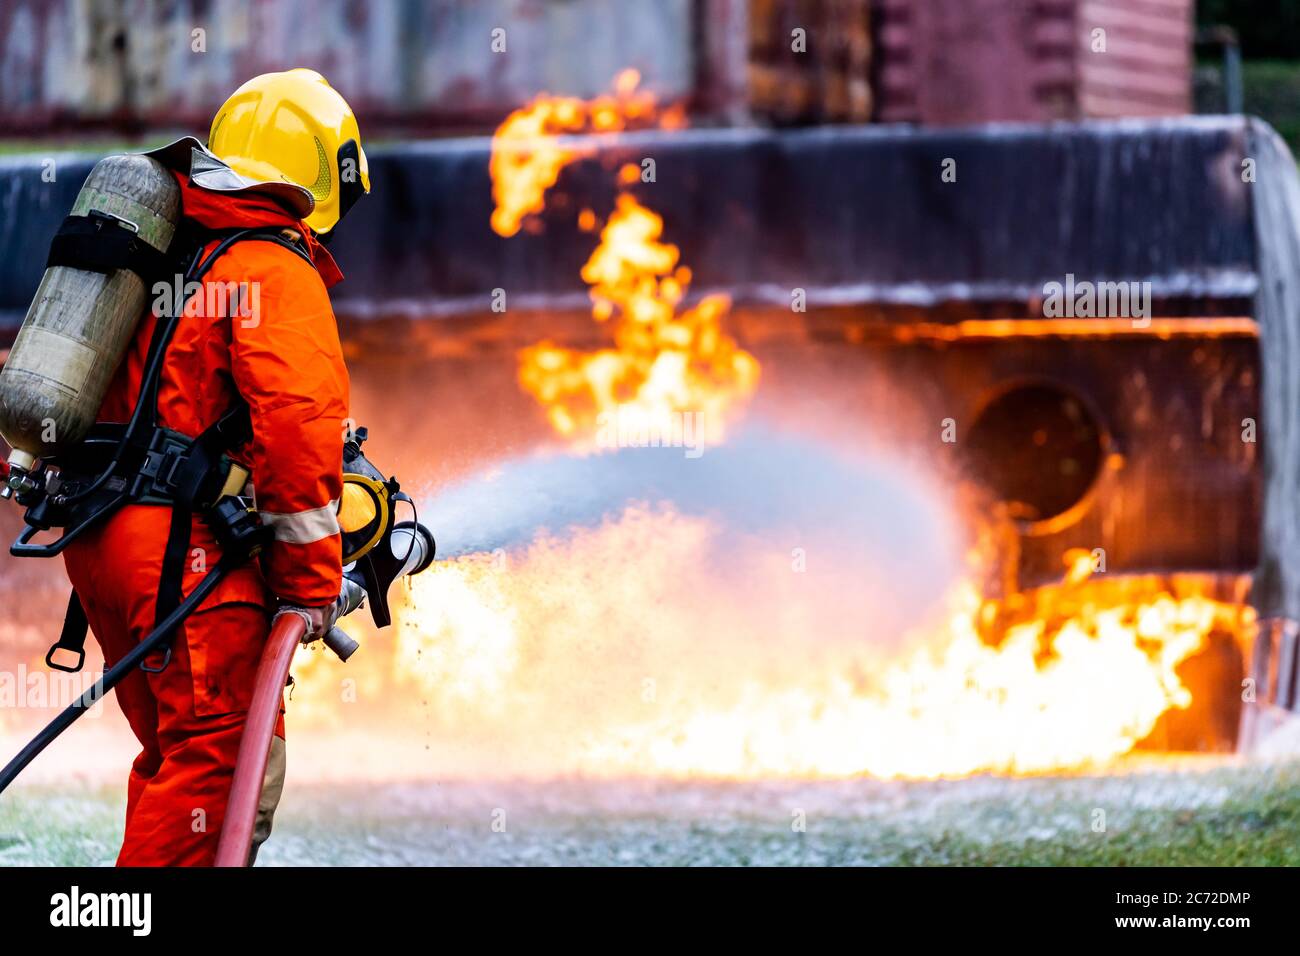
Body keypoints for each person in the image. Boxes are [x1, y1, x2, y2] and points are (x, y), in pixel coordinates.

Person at [61, 68, 368, 866]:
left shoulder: (168, 252)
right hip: (182, 554)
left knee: (179, 756)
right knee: (216, 766)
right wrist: (309, 583)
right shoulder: (270, 268)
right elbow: (297, 429)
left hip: (104, 542)